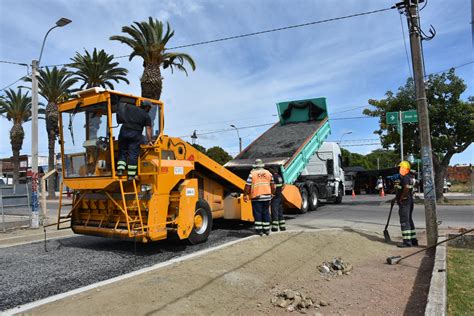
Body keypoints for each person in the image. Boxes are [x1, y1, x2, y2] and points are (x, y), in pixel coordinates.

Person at [116, 100, 154, 180]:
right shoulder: (146, 116)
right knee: (133, 154)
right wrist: (150, 141)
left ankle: (120, 170)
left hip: (124, 131)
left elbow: (121, 107)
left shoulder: (130, 108)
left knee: (122, 151)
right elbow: (148, 129)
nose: (150, 109)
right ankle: (131, 175)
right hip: (135, 134)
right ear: (147, 107)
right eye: (150, 108)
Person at [244, 159, 275, 236]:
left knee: (257, 213)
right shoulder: (269, 173)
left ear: (255, 166)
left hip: (256, 197)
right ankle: (267, 230)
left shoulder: (252, 174)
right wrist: (272, 193)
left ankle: (259, 231)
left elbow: (247, 185)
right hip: (267, 197)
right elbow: (273, 185)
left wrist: (245, 194)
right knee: (266, 213)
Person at [394, 161, 418, 247]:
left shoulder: (404, 177)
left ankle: (407, 242)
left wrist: (401, 198)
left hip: (405, 202)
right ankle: (413, 240)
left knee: (404, 221)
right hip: (409, 201)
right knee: (409, 220)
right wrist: (395, 198)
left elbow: (406, 187)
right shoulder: (409, 177)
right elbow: (402, 189)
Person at [269, 167, 286, 232]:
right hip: (279, 196)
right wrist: (280, 191)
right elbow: (284, 185)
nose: (270, 171)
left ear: (273, 170)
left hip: (275, 197)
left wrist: (272, 193)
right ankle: (282, 227)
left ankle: (275, 227)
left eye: (270, 169)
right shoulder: (279, 176)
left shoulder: (273, 177)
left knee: (274, 212)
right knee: (280, 212)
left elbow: (274, 187)